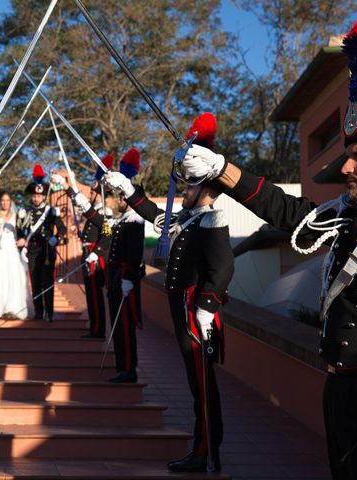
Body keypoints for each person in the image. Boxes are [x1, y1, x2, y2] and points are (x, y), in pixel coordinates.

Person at [179, 11, 357, 478]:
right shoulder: (349, 215)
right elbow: (291, 214)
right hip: (342, 390)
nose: (347, 168)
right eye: (348, 156)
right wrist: (222, 170)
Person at [105, 113, 234, 472]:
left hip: (197, 314)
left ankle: (205, 450)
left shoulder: (211, 220)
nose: (184, 192)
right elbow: (153, 215)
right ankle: (203, 447)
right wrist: (128, 190)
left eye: (189, 187)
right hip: (184, 310)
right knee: (197, 385)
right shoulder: (189, 218)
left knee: (203, 387)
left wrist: (207, 306)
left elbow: (222, 268)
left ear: (205, 188)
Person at [75, 149, 145, 383]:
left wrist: (130, 277)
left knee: (125, 327)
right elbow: (103, 227)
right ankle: (122, 367)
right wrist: (84, 205)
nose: (121, 200)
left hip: (125, 279)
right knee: (119, 327)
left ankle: (128, 369)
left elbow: (134, 254)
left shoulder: (134, 220)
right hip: (116, 280)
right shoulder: (119, 221)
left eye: (124, 198)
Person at [52, 155, 114, 339]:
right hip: (88, 252)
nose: (91, 196)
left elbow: (107, 234)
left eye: (94, 193)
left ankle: (98, 330)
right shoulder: (95, 213)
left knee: (95, 294)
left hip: (95, 256)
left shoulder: (104, 212)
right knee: (91, 294)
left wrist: (97, 252)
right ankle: (95, 327)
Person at [17, 165, 67, 322]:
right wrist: (21, 241)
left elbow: (63, 229)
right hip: (32, 251)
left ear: (44, 196)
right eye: (34, 196)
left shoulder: (51, 211)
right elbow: (20, 231)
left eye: (39, 196)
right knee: (35, 282)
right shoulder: (26, 212)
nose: (36, 198)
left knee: (47, 283)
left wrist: (55, 238)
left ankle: (49, 312)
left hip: (46, 251)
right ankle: (39, 312)